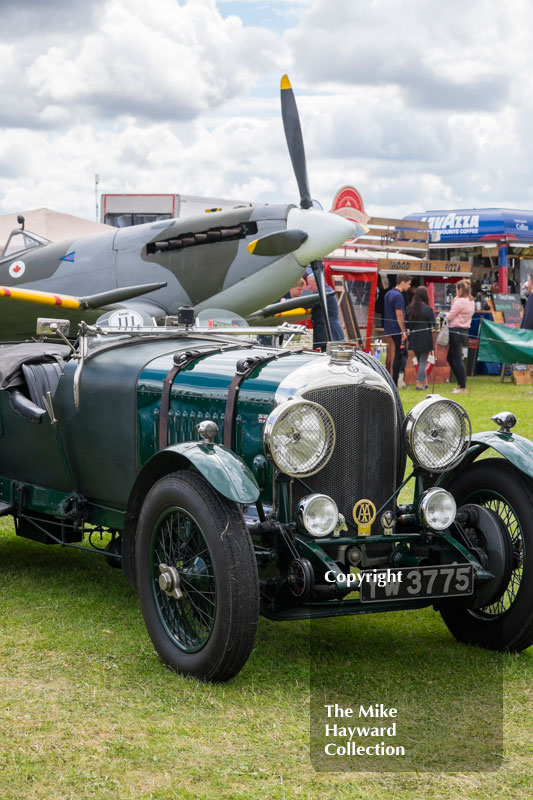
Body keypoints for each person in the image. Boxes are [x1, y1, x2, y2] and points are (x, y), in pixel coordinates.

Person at [446, 278, 475, 394]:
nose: (456, 291)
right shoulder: (471, 301)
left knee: (457, 358)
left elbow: (450, 316)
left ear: (460, 289)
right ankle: (459, 384)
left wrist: (454, 301)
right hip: (465, 331)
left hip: (455, 330)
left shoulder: (459, 301)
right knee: (451, 357)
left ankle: (462, 386)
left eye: (456, 289)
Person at [406, 286, 436, 390]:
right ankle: (419, 384)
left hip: (414, 337)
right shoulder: (428, 309)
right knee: (423, 361)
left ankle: (425, 383)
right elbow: (434, 324)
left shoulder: (410, 307)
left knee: (420, 361)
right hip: (425, 337)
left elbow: (407, 324)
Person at [383, 276, 412, 386]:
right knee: (400, 355)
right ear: (402, 282)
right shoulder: (399, 296)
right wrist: (403, 331)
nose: (409, 286)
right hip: (397, 329)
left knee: (398, 354)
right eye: (408, 283)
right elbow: (399, 314)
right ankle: (397, 380)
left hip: (389, 327)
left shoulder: (388, 293)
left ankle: (396, 379)